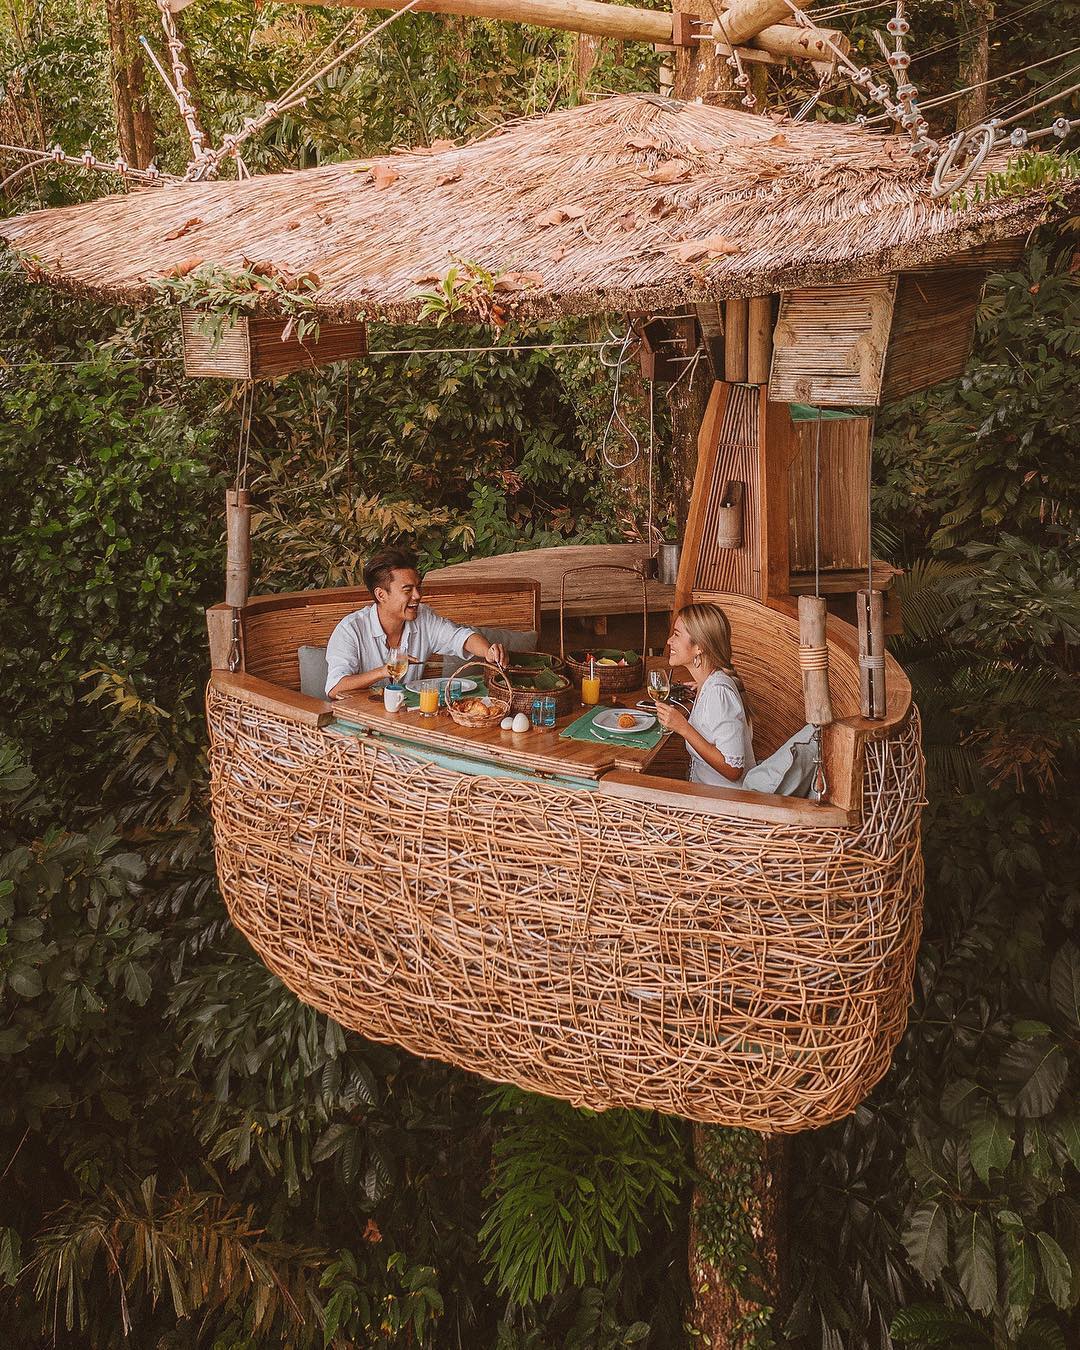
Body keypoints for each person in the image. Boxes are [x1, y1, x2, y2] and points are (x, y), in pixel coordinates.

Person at [325, 546, 507, 699]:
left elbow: (461, 637)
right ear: (381, 595)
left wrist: (488, 652)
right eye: (407, 590)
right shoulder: (350, 629)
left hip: (409, 717)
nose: (418, 596)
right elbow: (335, 688)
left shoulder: (424, 617)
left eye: (418, 587)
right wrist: (385, 671)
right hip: (360, 723)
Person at [653, 602, 755, 788]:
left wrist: (683, 727)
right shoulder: (710, 683)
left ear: (699, 647)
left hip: (724, 807)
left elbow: (733, 769)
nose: (669, 641)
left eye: (676, 634)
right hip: (705, 794)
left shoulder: (718, 693)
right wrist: (701, 686)